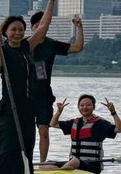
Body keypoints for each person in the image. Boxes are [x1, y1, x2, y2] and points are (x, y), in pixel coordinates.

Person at [0, 0, 59, 174]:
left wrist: (51, 0)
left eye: (21, 29)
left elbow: (44, 26)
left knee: (25, 148)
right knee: (6, 150)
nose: (18, 33)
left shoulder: (27, 47)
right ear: (6, 33)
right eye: (13, 30)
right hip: (9, 109)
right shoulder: (4, 50)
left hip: (27, 108)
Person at [31, 12, 84, 162]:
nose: (41, 28)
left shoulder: (51, 44)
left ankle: (41, 163)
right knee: (24, 131)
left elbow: (77, 47)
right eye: (37, 26)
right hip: (25, 95)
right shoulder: (24, 44)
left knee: (44, 130)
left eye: (43, 25)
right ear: (31, 28)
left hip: (44, 95)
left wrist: (79, 28)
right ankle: (24, 160)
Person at [48, 94, 121, 173]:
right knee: (45, 165)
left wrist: (113, 112)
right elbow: (53, 124)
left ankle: (59, 172)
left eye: (88, 105)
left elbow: (119, 129)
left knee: (75, 161)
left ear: (93, 107)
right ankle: (61, 171)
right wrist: (59, 112)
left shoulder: (100, 124)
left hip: (92, 166)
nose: (84, 107)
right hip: (74, 164)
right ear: (78, 107)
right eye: (82, 105)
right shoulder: (74, 123)